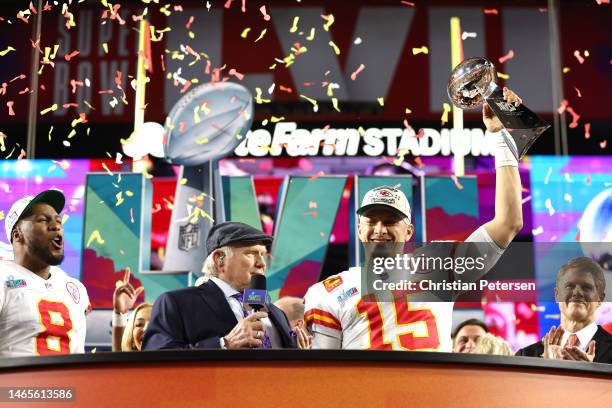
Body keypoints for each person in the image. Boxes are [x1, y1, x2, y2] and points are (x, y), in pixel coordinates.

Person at [304, 88, 524, 351]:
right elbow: (325, 373)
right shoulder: (328, 291)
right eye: (371, 220)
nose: (379, 229)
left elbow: (509, 222)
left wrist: (500, 135)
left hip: (431, 391)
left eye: (390, 221)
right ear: (359, 228)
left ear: (408, 231)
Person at [143, 222, 297, 349]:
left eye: (262, 254)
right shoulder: (176, 304)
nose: (261, 263)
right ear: (219, 260)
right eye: (251, 253)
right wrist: (225, 344)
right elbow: (156, 361)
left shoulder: (277, 313)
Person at [0, 190, 90, 357]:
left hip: (68, 382)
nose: (56, 226)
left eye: (59, 221)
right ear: (17, 234)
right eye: (43, 220)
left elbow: (79, 356)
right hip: (15, 382)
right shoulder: (3, 276)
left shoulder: (75, 289)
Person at [516, 257, 612, 363]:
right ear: (557, 295)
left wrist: (589, 374)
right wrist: (547, 368)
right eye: (570, 286)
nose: (577, 292)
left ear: (600, 299)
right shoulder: (525, 356)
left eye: (586, 287)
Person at [111, 267, 148, 351]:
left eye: (152, 324)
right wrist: (120, 313)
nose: (145, 328)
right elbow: (119, 354)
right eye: (139, 324)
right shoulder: (125, 363)